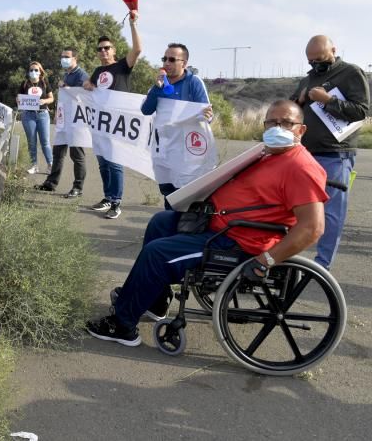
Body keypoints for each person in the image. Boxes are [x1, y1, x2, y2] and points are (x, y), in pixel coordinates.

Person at [86, 100, 328, 346]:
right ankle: (155, 301)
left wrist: (266, 260)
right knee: (161, 222)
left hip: (238, 242)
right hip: (220, 224)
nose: (278, 127)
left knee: (156, 254)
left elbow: (312, 228)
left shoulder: (300, 167)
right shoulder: (269, 153)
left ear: (301, 130)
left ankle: (122, 325)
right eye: (271, 122)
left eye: (286, 123)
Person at [290, 35, 370, 269]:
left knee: (331, 211)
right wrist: (299, 99)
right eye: (311, 61)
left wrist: (328, 101)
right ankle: (290, 255)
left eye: (320, 60)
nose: (316, 65)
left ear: (333, 50)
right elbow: (291, 109)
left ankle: (322, 265)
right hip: (304, 152)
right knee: (295, 205)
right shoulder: (310, 78)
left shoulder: (350, 73)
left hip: (335, 153)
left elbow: (361, 111)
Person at [83, 10, 142, 219]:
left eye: (106, 48)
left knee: (115, 162)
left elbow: (137, 49)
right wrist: (88, 84)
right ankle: (107, 197)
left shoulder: (122, 66)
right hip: (100, 124)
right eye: (100, 49)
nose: (103, 51)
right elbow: (91, 88)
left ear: (113, 50)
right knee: (103, 161)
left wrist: (133, 24)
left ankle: (116, 202)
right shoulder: (98, 71)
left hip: (117, 123)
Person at [141, 43, 213, 209]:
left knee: (186, 193)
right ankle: (171, 226)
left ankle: (184, 227)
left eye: (172, 59)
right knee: (168, 192)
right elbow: (146, 110)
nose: (166, 63)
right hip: (164, 149)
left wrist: (207, 117)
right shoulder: (158, 85)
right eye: (164, 59)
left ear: (184, 63)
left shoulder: (193, 83)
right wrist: (157, 89)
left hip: (186, 151)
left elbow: (206, 113)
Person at [35, 48, 89, 197]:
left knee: (77, 155)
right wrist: (58, 115)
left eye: (66, 57)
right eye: (62, 56)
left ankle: (78, 187)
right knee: (58, 152)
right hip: (64, 120)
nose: (63, 59)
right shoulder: (67, 74)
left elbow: (84, 96)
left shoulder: (82, 75)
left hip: (77, 122)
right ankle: (51, 184)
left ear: (75, 59)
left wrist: (66, 88)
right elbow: (65, 98)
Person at [17, 61, 54, 174]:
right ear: (28, 72)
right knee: (31, 142)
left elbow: (51, 98)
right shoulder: (24, 84)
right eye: (31, 70)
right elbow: (18, 97)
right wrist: (19, 100)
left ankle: (50, 165)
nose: (33, 72)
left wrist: (44, 100)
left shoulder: (44, 82)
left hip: (43, 114)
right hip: (28, 115)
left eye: (36, 70)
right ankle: (34, 165)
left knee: (45, 142)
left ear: (40, 72)